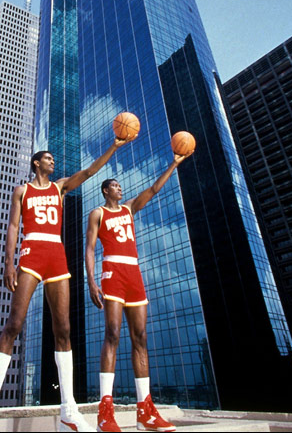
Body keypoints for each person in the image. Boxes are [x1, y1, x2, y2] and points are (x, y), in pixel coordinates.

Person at [0, 136, 135, 433]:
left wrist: (113, 147)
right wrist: (8, 262)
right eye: (48, 159)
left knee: (63, 330)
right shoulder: (21, 191)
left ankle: (68, 411)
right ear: (37, 163)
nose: (53, 162)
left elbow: (88, 172)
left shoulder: (59, 187)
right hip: (31, 252)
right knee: (14, 323)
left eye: (53, 160)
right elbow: (13, 226)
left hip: (56, 256)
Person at [85, 151, 193, 432]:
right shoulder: (98, 212)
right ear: (106, 190)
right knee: (112, 334)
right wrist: (91, 280)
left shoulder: (129, 208)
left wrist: (174, 163)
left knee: (140, 338)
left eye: (121, 186)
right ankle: (105, 411)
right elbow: (90, 248)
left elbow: (155, 189)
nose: (120, 189)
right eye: (115, 186)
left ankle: (145, 410)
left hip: (134, 273)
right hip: (112, 272)